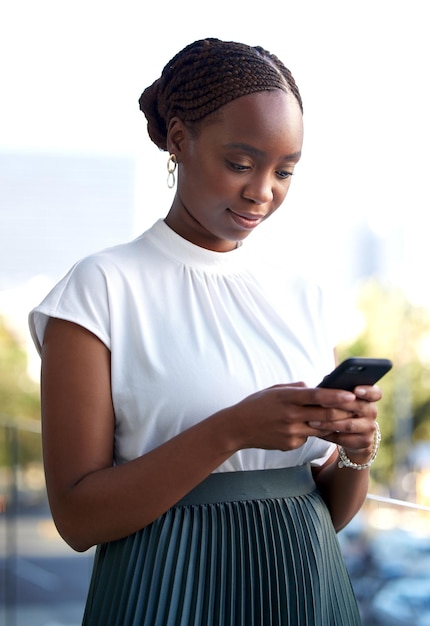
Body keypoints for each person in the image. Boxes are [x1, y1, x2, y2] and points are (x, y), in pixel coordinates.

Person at [29, 38, 382, 626]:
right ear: (177, 139)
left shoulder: (305, 297)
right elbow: (77, 520)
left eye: (285, 171)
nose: (262, 192)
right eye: (240, 164)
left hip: (308, 591)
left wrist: (357, 451)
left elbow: (323, 510)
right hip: (165, 593)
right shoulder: (99, 289)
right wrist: (234, 430)